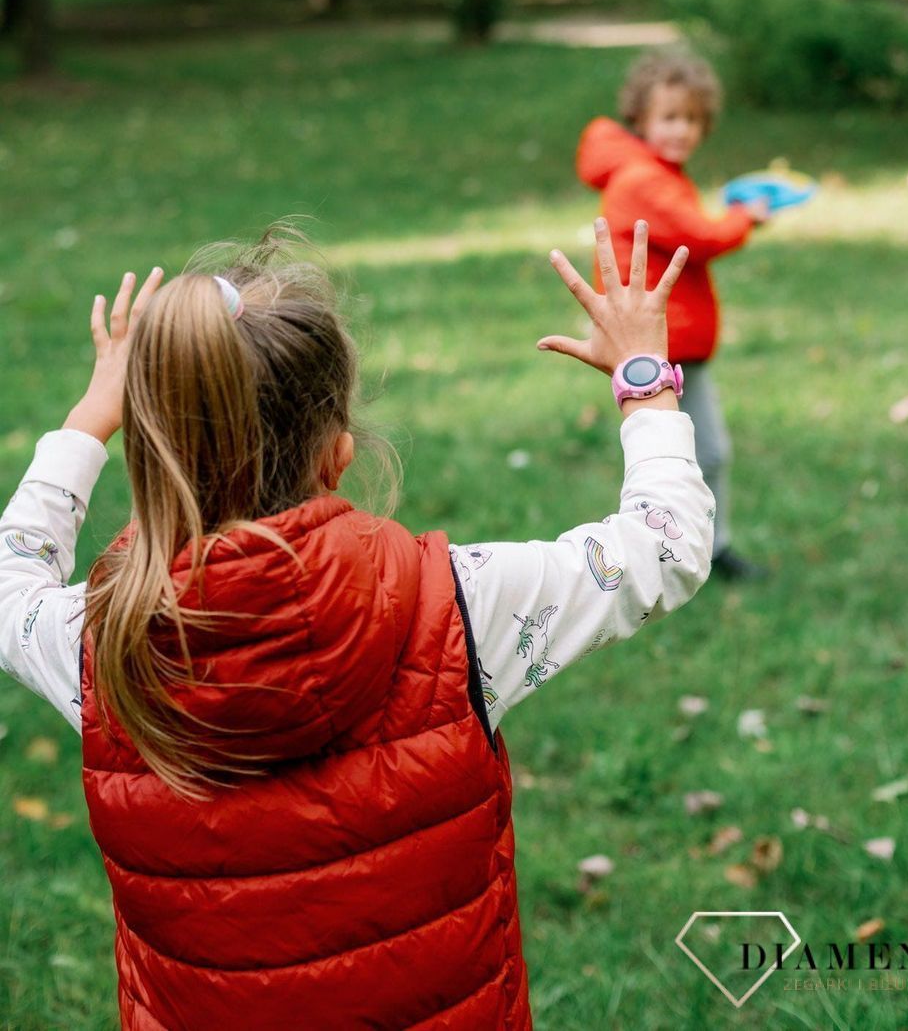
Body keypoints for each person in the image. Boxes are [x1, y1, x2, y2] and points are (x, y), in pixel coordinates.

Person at [0, 222, 714, 1031]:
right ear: (339, 453)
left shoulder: (99, 646)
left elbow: (7, 581)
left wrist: (88, 422)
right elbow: (664, 545)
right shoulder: (456, 605)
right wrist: (644, 383)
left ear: (153, 449)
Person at [577, 47, 769, 581]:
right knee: (698, 454)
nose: (681, 130)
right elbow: (702, 236)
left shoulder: (654, 171)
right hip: (661, 347)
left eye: (691, 119)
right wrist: (744, 217)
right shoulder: (643, 179)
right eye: (669, 117)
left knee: (683, 456)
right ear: (639, 116)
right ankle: (692, 555)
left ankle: (684, 555)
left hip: (668, 342)